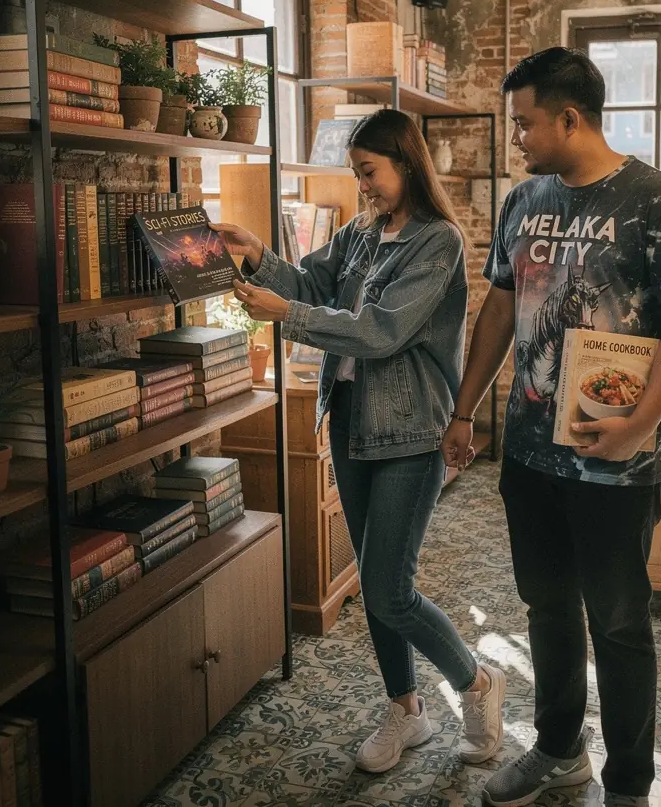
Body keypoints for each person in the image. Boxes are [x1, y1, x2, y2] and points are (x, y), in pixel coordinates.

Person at [441, 48, 661, 807]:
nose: (516, 137)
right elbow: (500, 307)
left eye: (524, 123)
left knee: (620, 623)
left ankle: (629, 785)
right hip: (531, 455)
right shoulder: (523, 202)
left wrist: (638, 426)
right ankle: (559, 751)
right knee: (548, 608)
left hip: (615, 461)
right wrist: (465, 410)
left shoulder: (657, 201)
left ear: (570, 117)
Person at [210, 109, 505, 774]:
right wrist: (256, 251)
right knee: (376, 585)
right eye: (356, 173)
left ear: (406, 163)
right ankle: (406, 709)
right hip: (348, 421)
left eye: (369, 172)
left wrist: (288, 315)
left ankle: (477, 682)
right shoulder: (361, 233)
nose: (363, 186)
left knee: (388, 587)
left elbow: (380, 331)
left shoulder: (438, 242)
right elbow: (309, 285)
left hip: (412, 431)